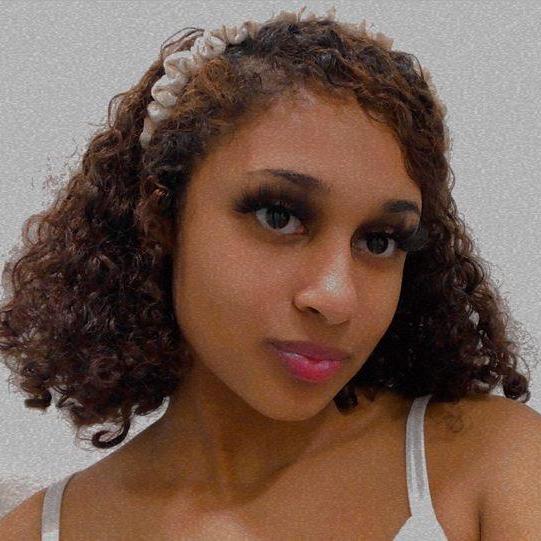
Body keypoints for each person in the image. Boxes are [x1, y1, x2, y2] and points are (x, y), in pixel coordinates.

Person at [1, 5, 540, 540]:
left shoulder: (496, 463)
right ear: (162, 216)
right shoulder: (39, 531)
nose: (336, 297)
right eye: (278, 216)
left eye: (380, 241)